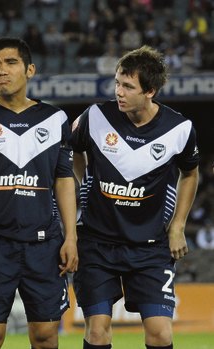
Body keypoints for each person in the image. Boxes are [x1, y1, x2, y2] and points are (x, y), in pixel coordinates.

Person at [70, 45, 200, 349]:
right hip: (97, 243)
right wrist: (85, 182)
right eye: (117, 82)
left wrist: (178, 226)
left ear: (150, 91)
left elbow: (191, 174)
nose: (119, 92)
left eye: (128, 86)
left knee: (160, 334)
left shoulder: (180, 129)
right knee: (98, 329)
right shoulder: (95, 116)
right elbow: (73, 150)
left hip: (150, 246)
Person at [0, 37, 78, 349]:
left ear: (30, 70)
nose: (1, 71)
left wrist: (71, 237)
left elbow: (64, 180)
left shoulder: (56, 119)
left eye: (10, 63)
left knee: (46, 336)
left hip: (44, 243)